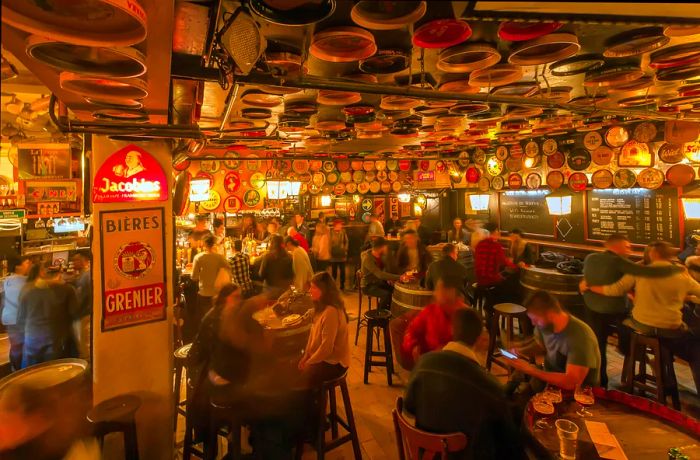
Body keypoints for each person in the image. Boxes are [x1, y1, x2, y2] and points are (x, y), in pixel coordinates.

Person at [404, 308, 526, 460]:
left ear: (453, 330)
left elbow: (409, 407)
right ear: (479, 338)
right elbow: (507, 435)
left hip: (425, 454)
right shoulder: (488, 384)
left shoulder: (424, 363)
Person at [581, 241, 700, 391]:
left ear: (652, 254)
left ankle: (637, 361)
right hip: (670, 330)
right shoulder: (681, 273)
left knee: (626, 324)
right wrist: (689, 298)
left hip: (643, 327)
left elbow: (615, 290)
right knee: (689, 339)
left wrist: (589, 286)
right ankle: (665, 375)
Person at [508, 290, 600, 391]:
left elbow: (572, 383)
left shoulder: (581, 337)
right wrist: (520, 350)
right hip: (551, 376)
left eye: (536, 319)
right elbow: (541, 347)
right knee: (513, 382)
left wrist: (532, 371)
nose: (533, 323)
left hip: (578, 392)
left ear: (550, 314)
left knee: (525, 400)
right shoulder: (545, 325)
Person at [17, 264, 80, 367]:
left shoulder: (26, 290)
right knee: (54, 374)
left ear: (42, 273)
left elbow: (20, 319)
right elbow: (75, 314)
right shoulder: (67, 290)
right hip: (56, 340)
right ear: (59, 275)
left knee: (31, 374)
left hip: (32, 340)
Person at [401, 277, 468, 369]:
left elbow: (469, 347)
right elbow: (411, 331)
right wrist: (413, 347)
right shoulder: (430, 311)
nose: (437, 294)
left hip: (456, 368)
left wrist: (445, 351)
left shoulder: (464, 315)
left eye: (443, 291)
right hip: (430, 365)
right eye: (438, 291)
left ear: (454, 295)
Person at [298, 272, 351, 386]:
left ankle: (315, 402)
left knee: (301, 379)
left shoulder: (331, 312)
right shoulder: (320, 307)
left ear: (324, 291)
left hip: (335, 364)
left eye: (313, 287)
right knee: (296, 366)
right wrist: (306, 355)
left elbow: (326, 348)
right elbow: (312, 334)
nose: (310, 290)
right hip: (324, 359)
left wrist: (309, 363)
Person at [191, 235, 231, 324]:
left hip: (203, 293)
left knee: (205, 320)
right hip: (217, 294)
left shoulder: (198, 257)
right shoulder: (220, 257)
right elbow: (229, 268)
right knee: (217, 320)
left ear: (204, 244)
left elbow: (194, 277)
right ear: (214, 244)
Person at [2, 256, 32, 370]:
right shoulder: (27, 281)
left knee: (15, 345)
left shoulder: (7, 280)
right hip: (20, 318)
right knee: (23, 345)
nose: (28, 266)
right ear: (18, 266)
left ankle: (14, 368)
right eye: (26, 263)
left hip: (9, 317)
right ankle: (20, 370)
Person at [361, 237, 404, 310]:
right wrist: (400, 277)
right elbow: (380, 274)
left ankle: (388, 311)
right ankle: (380, 315)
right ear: (382, 247)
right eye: (386, 246)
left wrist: (388, 278)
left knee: (394, 290)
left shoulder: (380, 255)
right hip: (368, 285)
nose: (387, 248)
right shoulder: (368, 258)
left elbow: (384, 271)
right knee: (386, 295)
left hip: (377, 282)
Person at [70, 251, 92, 359]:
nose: (74, 263)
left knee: (85, 346)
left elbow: (83, 298)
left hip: (85, 315)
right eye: (73, 260)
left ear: (86, 261)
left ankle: (88, 370)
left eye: (77, 260)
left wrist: (75, 312)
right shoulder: (83, 275)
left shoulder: (86, 276)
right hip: (84, 315)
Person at [329, 219, 349, 290]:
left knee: (342, 271)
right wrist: (330, 250)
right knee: (334, 272)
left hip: (342, 255)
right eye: (339, 224)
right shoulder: (331, 233)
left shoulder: (343, 232)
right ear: (335, 226)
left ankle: (342, 285)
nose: (341, 226)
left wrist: (345, 249)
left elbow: (346, 241)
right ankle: (333, 285)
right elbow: (329, 243)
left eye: (341, 225)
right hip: (333, 256)